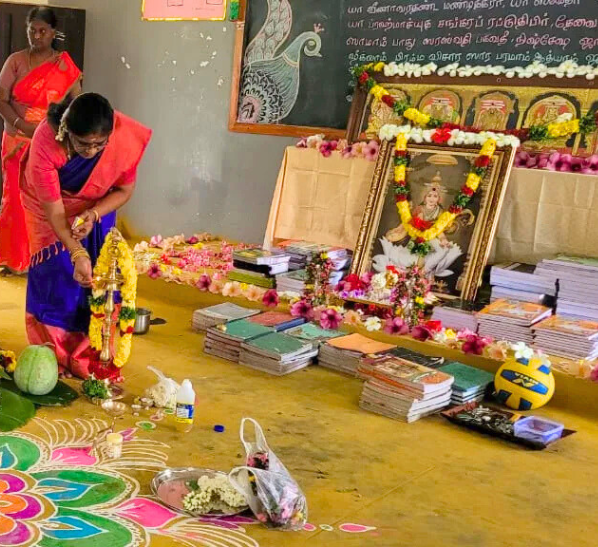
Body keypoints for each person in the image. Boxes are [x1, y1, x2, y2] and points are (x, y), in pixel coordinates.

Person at [21, 93, 152, 378]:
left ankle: (88, 355)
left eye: (99, 144)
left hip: (96, 204)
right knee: (57, 274)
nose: (91, 151)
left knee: (99, 278)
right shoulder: (46, 142)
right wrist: (76, 251)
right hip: (49, 209)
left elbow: (124, 190)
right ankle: (52, 354)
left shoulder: (121, 138)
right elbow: (55, 211)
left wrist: (94, 214)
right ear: (67, 131)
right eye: (83, 144)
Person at [0, 7, 82, 273]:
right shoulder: (16, 61)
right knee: (15, 198)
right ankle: (14, 260)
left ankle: (41, 257)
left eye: (42, 31)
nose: (36, 36)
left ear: (53, 32)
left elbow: (76, 105)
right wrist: (21, 124)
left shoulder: (64, 67)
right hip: (16, 140)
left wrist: (57, 130)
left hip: (47, 143)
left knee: (42, 199)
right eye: (32, 31)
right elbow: (1, 99)